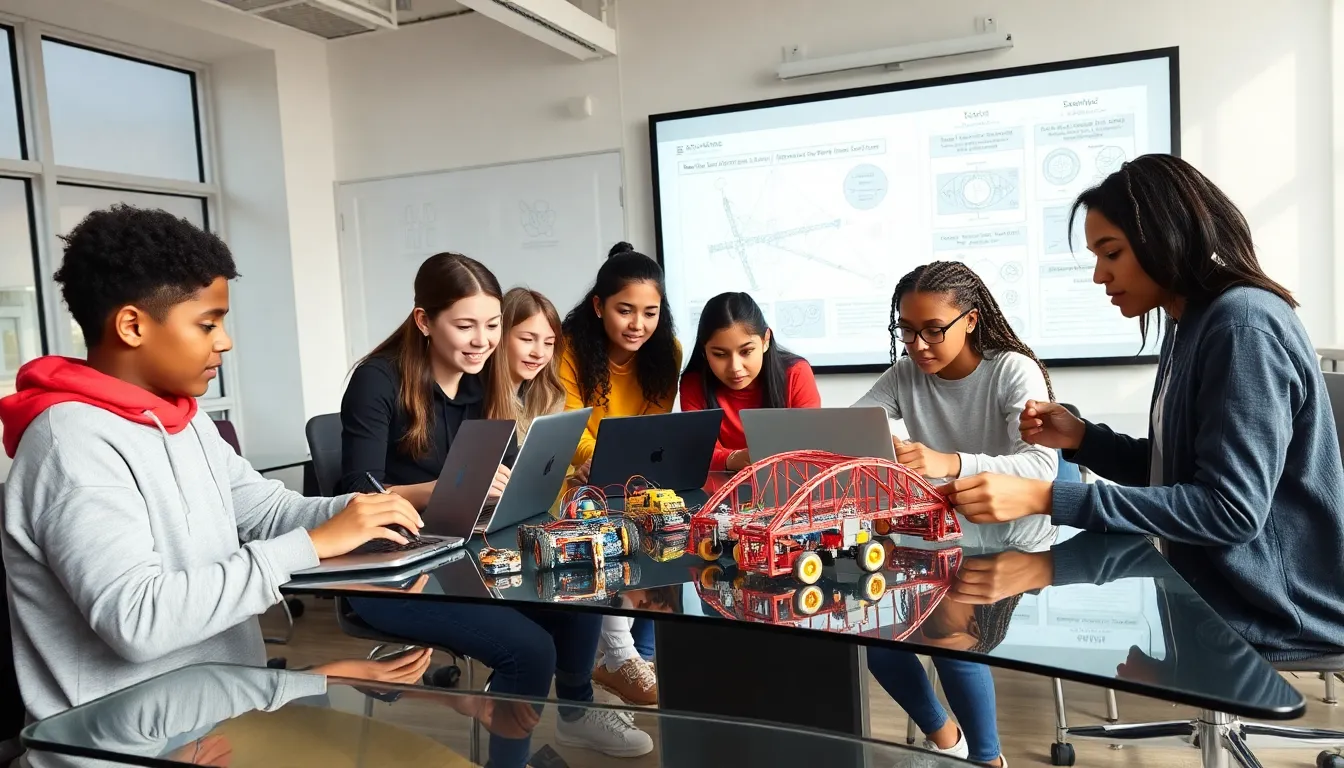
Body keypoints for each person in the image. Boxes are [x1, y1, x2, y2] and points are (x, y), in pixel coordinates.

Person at [0, 205, 430, 722]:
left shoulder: (185, 420)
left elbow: (268, 513)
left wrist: (367, 519)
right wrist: (316, 546)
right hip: (126, 745)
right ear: (133, 325)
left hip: (225, 715)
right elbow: (138, 622)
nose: (223, 341)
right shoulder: (70, 443)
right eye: (208, 324)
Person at [942, 154, 1344, 661]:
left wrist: (1046, 498)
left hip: (1272, 611)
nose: (1098, 276)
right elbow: (1177, 471)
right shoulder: (1190, 322)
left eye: (1110, 253)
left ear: (1165, 237)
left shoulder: (1242, 327)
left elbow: (1228, 511)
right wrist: (1086, 440)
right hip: (1208, 587)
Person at [338, 252, 652, 764]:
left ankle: (573, 715)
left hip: (462, 550)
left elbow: (498, 471)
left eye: (490, 325)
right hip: (388, 568)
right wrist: (447, 487)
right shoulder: (378, 380)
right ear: (424, 320)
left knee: (581, 587)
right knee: (532, 651)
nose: (483, 341)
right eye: (465, 326)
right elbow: (357, 493)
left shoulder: (480, 381)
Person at [853, 260, 1059, 766]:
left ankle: (988, 759)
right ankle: (947, 740)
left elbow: (1041, 465)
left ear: (970, 320)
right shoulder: (906, 374)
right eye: (906, 330)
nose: (918, 344)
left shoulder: (1012, 369)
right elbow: (855, 427)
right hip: (939, 537)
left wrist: (951, 462)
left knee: (949, 634)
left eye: (932, 330)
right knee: (876, 639)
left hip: (1011, 542)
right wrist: (879, 444)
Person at [558, 242, 681, 706]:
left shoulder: (666, 351)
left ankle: (637, 653)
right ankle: (619, 653)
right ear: (598, 306)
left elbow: (651, 427)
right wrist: (601, 461)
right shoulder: (568, 348)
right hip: (576, 476)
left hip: (628, 474)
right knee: (608, 522)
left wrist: (626, 466)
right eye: (625, 311)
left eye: (650, 312)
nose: (638, 325)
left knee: (669, 519)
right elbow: (568, 427)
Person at [679, 291, 821, 471]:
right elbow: (697, 451)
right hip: (719, 491)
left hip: (787, 483)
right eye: (720, 355)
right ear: (704, 351)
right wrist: (732, 459)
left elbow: (810, 446)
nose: (735, 367)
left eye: (746, 352)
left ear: (765, 340)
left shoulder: (796, 373)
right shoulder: (694, 383)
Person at [481, 287, 566, 438]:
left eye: (548, 343)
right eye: (527, 339)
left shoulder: (552, 395)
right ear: (500, 336)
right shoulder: (475, 398)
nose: (539, 353)